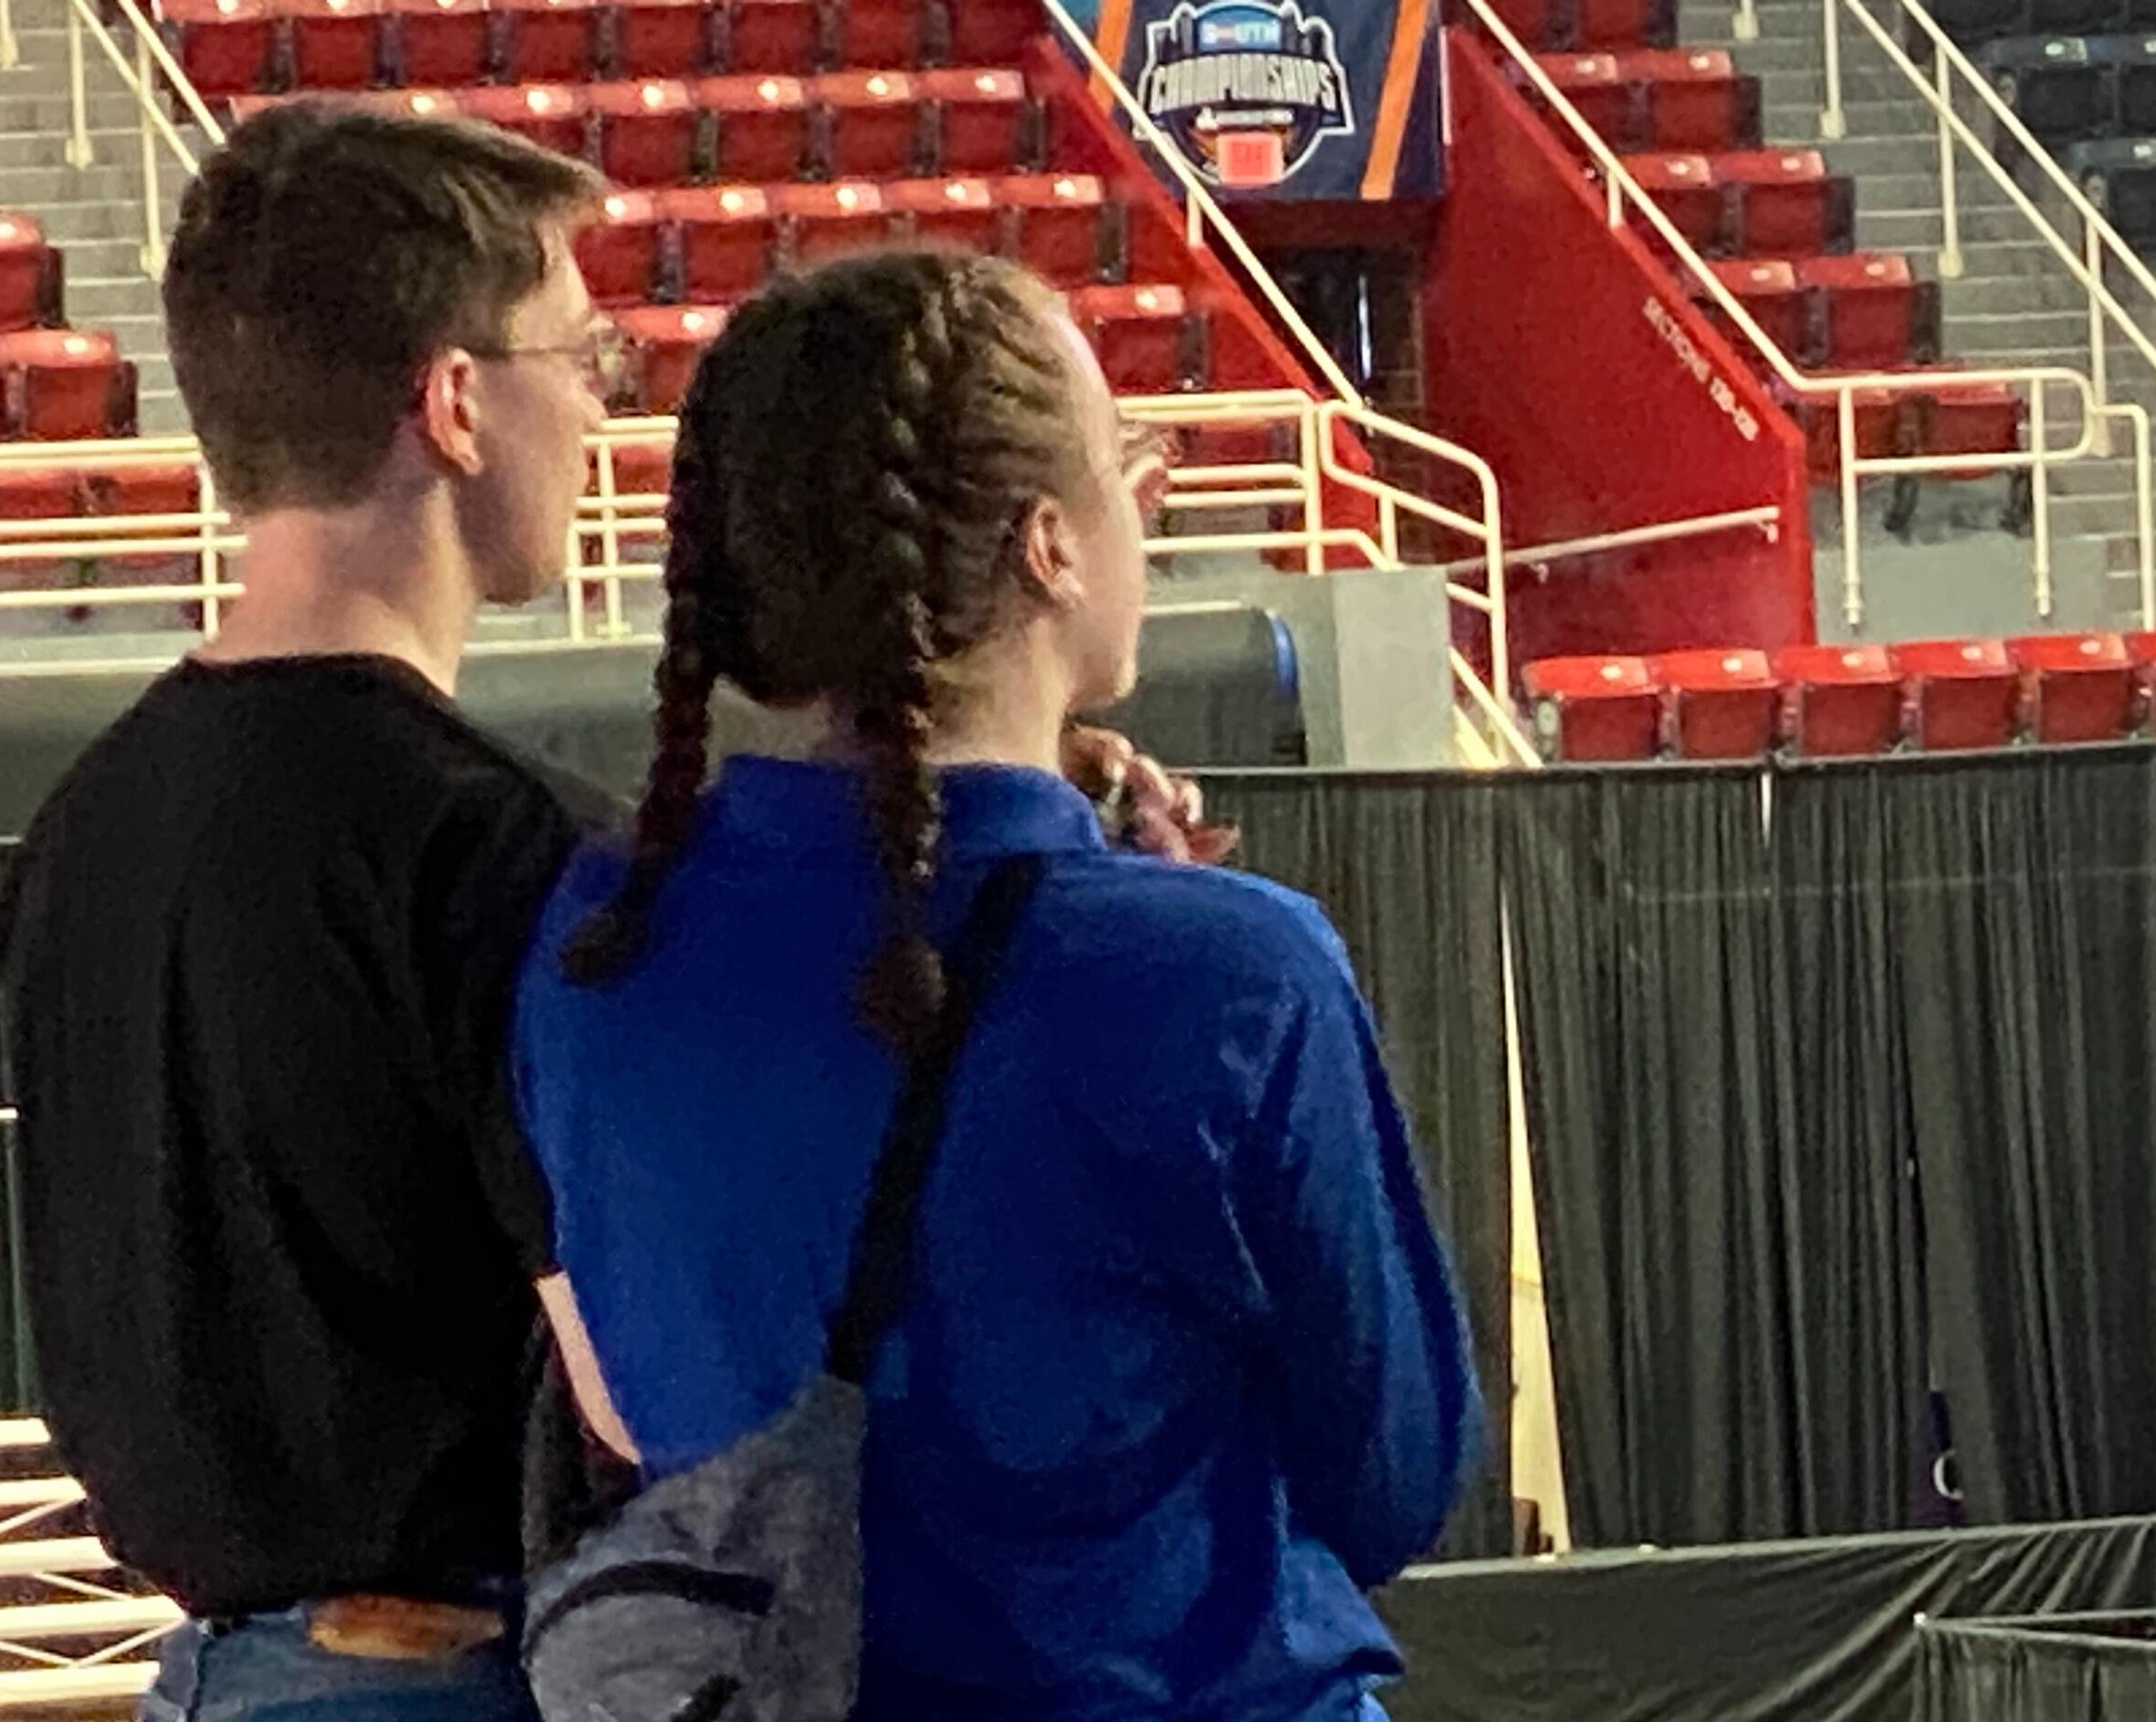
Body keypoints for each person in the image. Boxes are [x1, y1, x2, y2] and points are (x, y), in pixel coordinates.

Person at [0, 107, 1223, 1722]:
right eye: (580, 360)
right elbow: (640, 1395)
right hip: (457, 1679)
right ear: (451, 403)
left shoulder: (78, 828)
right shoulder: (498, 857)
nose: (597, 411)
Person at [513, 249, 1481, 1722]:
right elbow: (1398, 1475)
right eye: (1127, 469)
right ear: (1049, 545)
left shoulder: (592, 948)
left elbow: (641, 1398)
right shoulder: (1237, 975)